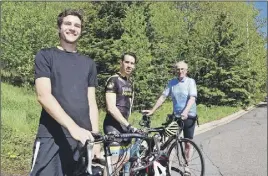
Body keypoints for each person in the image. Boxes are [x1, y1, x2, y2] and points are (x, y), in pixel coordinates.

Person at [30, 9, 100, 176]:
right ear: (59, 28)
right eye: (68, 23)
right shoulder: (45, 56)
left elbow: (92, 102)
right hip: (52, 137)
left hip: (83, 140)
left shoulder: (89, 63)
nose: (72, 28)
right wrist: (73, 128)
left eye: (77, 25)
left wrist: (96, 139)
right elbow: (43, 96)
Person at [142, 60, 197, 175]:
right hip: (177, 117)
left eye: (182, 69)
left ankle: (187, 166)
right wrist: (152, 110)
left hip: (189, 116)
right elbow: (163, 97)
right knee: (171, 140)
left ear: (186, 70)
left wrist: (186, 111)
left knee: (188, 143)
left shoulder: (190, 82)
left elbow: (192, 98)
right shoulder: (172, 83)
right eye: (178, 69)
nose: (180, 71)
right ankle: (168, 165)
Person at [103, 52, 139, 175]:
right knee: (113, 163)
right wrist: (128, 126)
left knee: (125, 158)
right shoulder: (113, 80)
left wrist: (129, 125)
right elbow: (111, 108)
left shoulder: (130, 83)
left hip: (125, 127)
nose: (129, 65)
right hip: (112, 126)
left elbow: (128, 107)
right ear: (121, 63)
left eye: (132, 63)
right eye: (127, 62)